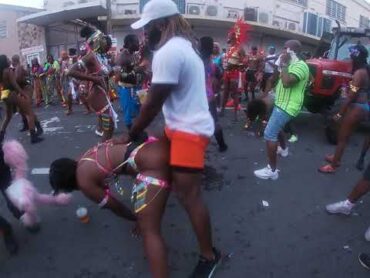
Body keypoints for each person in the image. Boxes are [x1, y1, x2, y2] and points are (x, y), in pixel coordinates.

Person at [128, 0, 221, 276]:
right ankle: (149, 217)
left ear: (162, 24)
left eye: (147, 28)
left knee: (189, 195)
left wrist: (132, 131)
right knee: (159, 164)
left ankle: (209, 256)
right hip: (180, 126)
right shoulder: (181, 46)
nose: (145, 34)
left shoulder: (169, 52)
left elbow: (152, 104)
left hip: (188, 132)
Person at [49, 134, 171, 278]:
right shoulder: (83, 158)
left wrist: (137, 219)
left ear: (67, 185)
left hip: (153, 166)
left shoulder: (84, 182)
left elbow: (115, 206)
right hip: (153, 147)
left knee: (149, 231)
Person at [254, 40, 309, 180]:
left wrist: (284, 64)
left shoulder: (301, 66)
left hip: (288, 106)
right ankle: (284, 150)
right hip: (280, 102)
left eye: (285, 48)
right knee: (277, 129)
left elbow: (287, 82)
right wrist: (277, 66)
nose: (282, 51)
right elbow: (274, 79)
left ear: (292, 50)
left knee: (269, 134)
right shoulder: (288, 64)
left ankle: (272, 171)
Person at [319, 44, 369, 173]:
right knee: (346, 136)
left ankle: (334, 165)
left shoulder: (358, 73)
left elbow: (351, 96)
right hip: (363, 107)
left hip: (356, 107)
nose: (349, 58)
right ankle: (336, 157)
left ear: (355, 58)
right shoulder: (366, 71)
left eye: (351, 56)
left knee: (342, 137)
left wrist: (339, 114)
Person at [68, 27, 118, 142]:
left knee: (109, 127)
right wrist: (94, 79)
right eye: (103, 39)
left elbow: (103, 75)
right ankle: (100, 154)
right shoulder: (90, 56)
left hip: (102, 93)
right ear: (97, 41)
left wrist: (112, 72)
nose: (106, 42)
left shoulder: (101, 56)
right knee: (108, 126)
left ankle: (103, 150)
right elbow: (71, 71)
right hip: (96, 94)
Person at [0, 55, 44, 144]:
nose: (10, 61)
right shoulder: (9, 71)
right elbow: (15, 85)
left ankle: (1, 135)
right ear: (5, 62)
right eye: (8, 59)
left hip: (5, 96)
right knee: (29, 113)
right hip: (12, 94)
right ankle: (33, 136)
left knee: (8, 116)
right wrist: (24, 94)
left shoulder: (1, 73)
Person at [200, 36, 228, 152]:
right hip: (209, 96)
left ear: (200, 47)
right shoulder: (213, 64)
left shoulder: (195, 61)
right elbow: (221, 77)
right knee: (214, 121)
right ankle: (222, 145)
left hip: (196, 97)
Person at [221, 20, 248, 120]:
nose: (227, 37)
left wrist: (236, 66)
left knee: (234, 94)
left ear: (234, 36)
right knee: (225, 92)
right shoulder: (229, 48)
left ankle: (235, 114)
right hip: (226, 73)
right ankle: (222, 110)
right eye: (228, 35)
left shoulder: (240, 48)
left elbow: (245, 62)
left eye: (229, 35)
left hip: (234, 74)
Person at [117, 34, 142, 130]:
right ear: (129, 43)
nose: (138, 44)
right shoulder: (122, 56)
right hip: (127, 89)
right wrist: (135, 71)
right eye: (136, 42)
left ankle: (138, 130)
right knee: (129, 113)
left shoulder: (134, 55)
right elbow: (117, 76)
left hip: (137, 88)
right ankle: (132, 134)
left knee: (139, 110)